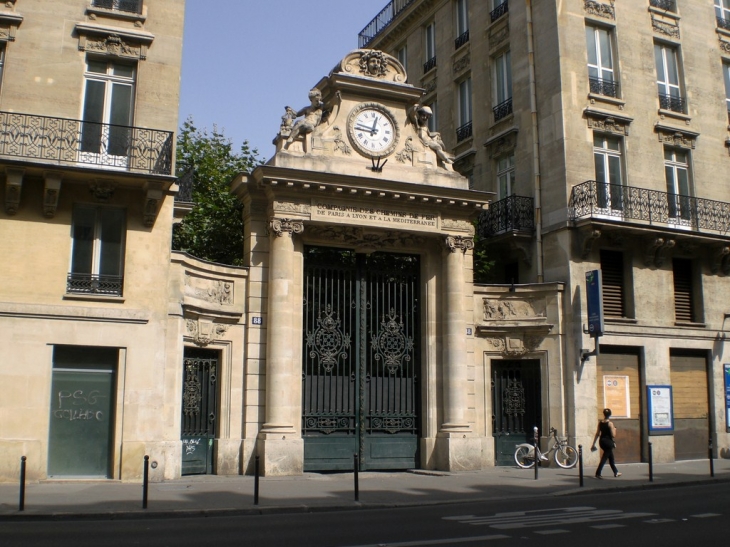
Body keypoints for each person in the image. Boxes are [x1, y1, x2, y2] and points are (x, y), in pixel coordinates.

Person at [591, 408, 622, 478]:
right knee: (604, 458)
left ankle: (616, 472)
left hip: (601, 442)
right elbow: (613, 435)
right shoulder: (610, 424)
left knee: (611, 458)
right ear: (610, 414)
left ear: (604, 414)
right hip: (608, 443)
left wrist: (593, 444)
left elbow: (597, 434)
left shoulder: (600, 423)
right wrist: (615, 429)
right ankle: (598, 473)